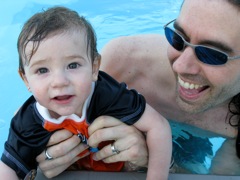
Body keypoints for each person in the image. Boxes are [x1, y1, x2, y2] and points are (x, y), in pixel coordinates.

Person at [34, 0, 240, 177]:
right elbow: (40, 116)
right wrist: (50, 155)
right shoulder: (125, 64)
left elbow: (217, 177)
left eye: (212, 54)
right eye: (177, 38)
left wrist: (152, 161)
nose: (180, 66)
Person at [0, 6, 172, 180]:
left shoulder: (107, 95)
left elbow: (158, 126)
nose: (59, 81)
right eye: (42, 70)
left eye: (73, 65)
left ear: (94, 68)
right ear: (25, 80)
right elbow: (8, 167)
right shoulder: (27, 121)